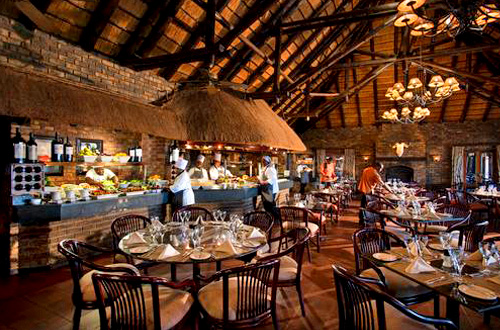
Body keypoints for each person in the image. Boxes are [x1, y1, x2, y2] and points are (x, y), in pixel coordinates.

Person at [259, 156, 279, 220]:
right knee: (267, 205)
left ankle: (276, 218)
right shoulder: (265, 168)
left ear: (268, 161)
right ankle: (270, 218)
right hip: (266, 189)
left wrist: (262, 182)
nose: (263, 162)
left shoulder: (270, 168)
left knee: (270, 205)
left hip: (270, 189)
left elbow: (273, 179)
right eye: (262, 160)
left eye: (264, 160)